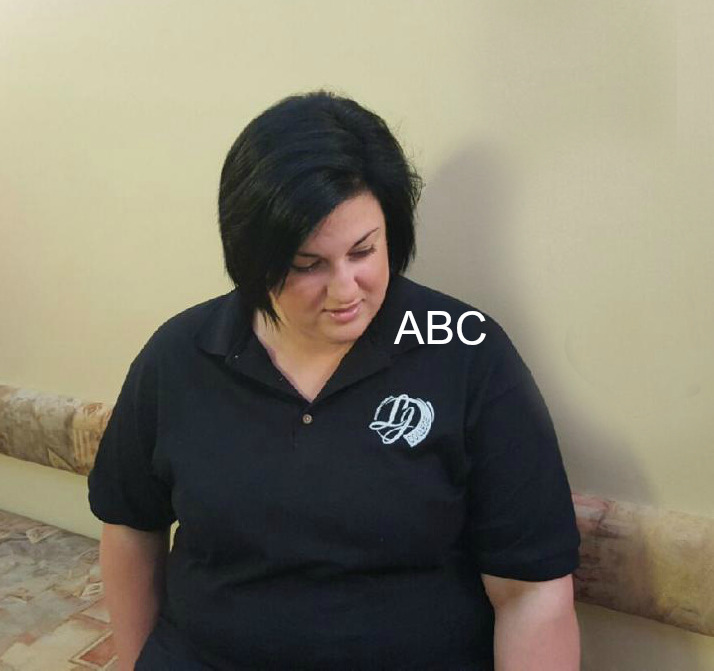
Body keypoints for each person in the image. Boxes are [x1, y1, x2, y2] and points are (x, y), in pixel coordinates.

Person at [88, 90, 581, 671]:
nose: (346, 290)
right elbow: (130, 527)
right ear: (252, 259)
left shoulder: (467, 353)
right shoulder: (179, 357)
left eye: (363, 251)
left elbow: (531, 592)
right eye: (308, 265)